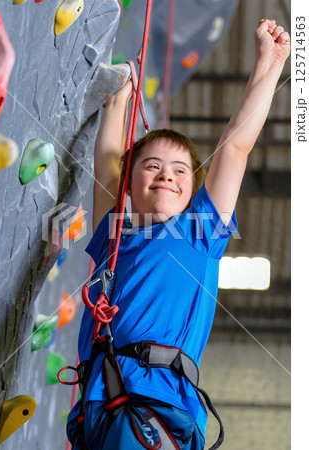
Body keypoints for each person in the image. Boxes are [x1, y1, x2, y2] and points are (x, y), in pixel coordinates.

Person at [66, 19, 290, 449]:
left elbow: (237, 146)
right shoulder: (116, 235)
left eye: (180, 170)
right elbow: (110, 165)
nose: (166, 175)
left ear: (192, 191)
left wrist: (270, 60)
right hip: (98, 411)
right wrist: (120, 98)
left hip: (155, 406)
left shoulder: (200, 231)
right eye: (152, 166)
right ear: (131, 185)